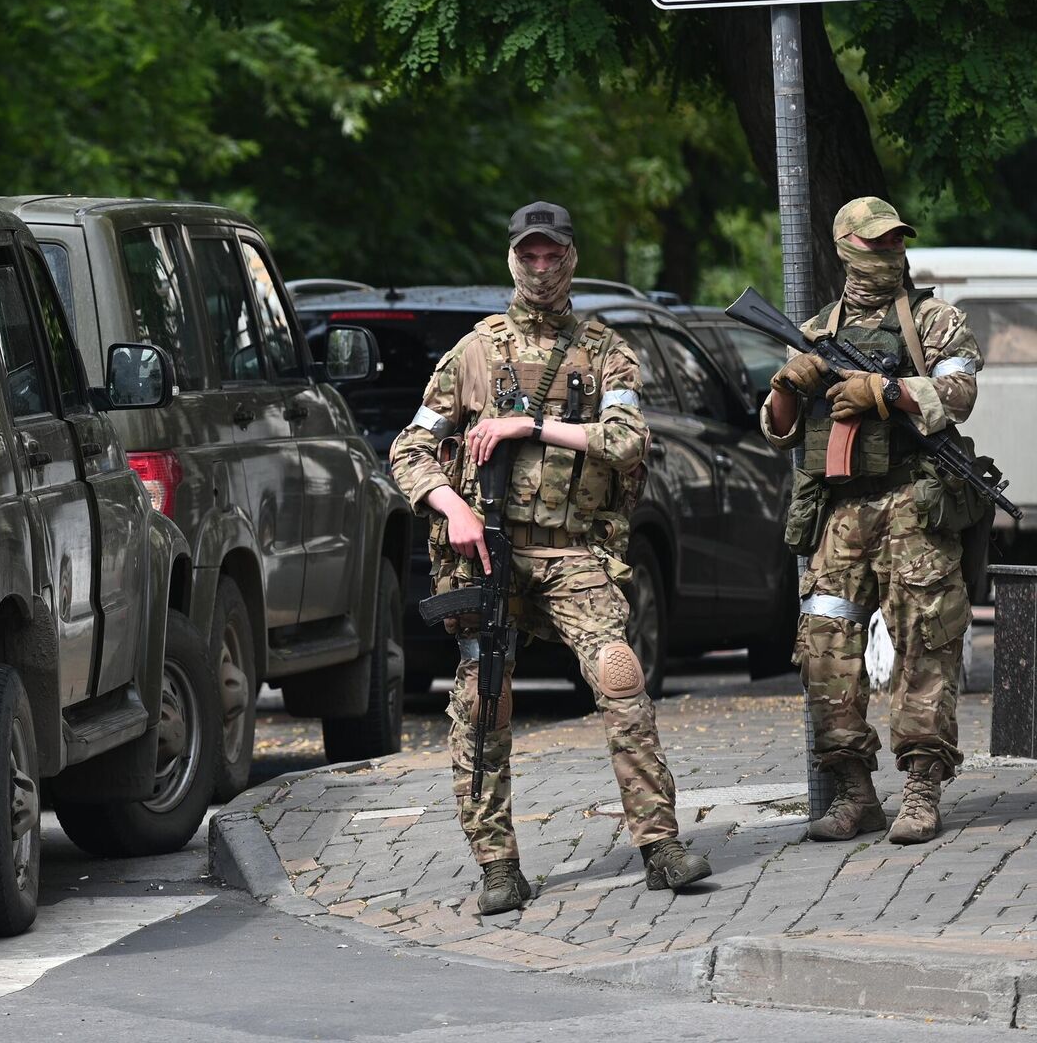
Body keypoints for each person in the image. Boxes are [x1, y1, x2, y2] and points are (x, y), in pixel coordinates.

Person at [388, 201, 711, 914]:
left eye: (552, 254)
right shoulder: (473, 352)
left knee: (621, 678)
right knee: (484, 701)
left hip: (571, 552)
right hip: (489, 559)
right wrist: (454, 507)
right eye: (528, 254)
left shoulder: (604, 351)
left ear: (571, 257)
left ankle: (660, 846)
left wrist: (530, 424)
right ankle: (498, 865)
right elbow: (408, 450)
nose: (540, 268)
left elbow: (628, 440)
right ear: (513, 256)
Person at [761, 197, 979, 846]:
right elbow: (776, 431)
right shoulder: (816, 330)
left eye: (895, 243)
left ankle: (920, 790)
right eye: (875, 243)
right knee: (826, 645)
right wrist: (786, 385)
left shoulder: (934, 321)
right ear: (845, 245)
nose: (887, 254)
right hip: (842, 511)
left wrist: (886, 392)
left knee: (925, 642)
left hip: (915, 500)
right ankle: (856, 792)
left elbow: (960, 395)